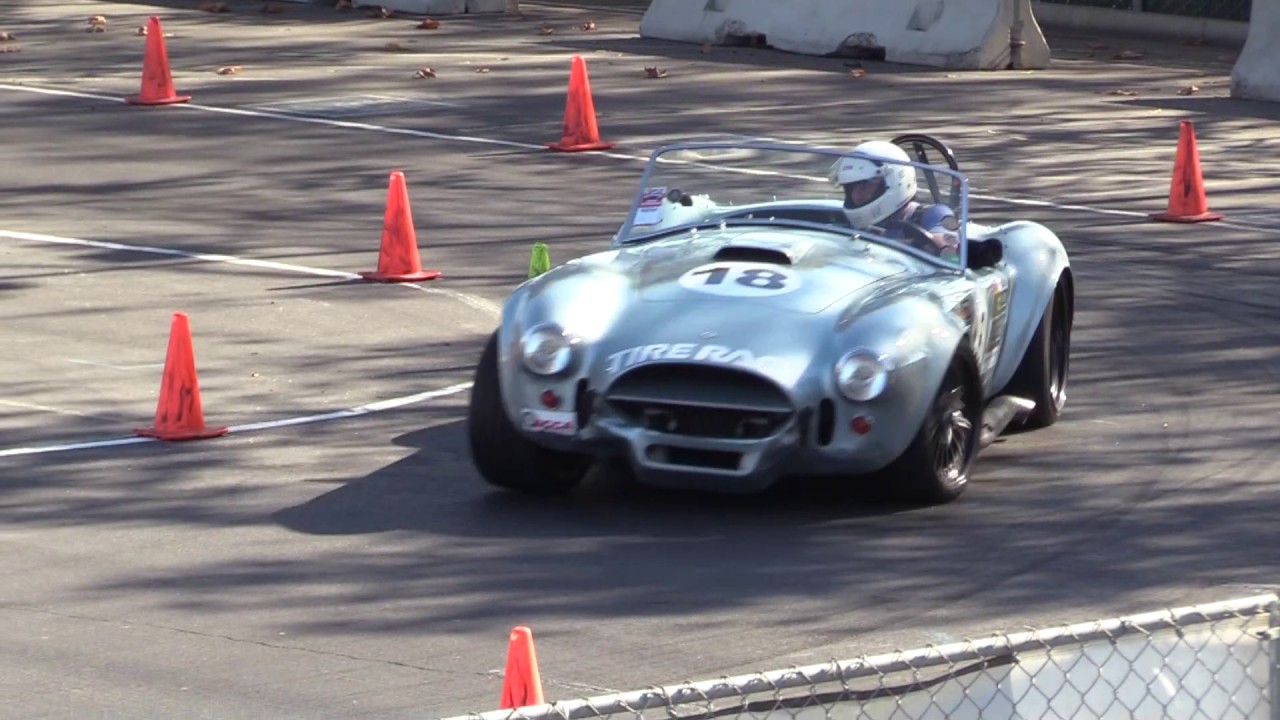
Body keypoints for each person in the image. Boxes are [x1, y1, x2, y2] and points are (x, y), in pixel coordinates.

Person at [827, 140, 960, 258]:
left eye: (865, 185)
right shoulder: (847, 223)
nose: (856, 195)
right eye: (851, 188)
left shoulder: (935, 214)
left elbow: (952, 255)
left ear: (896, 182)